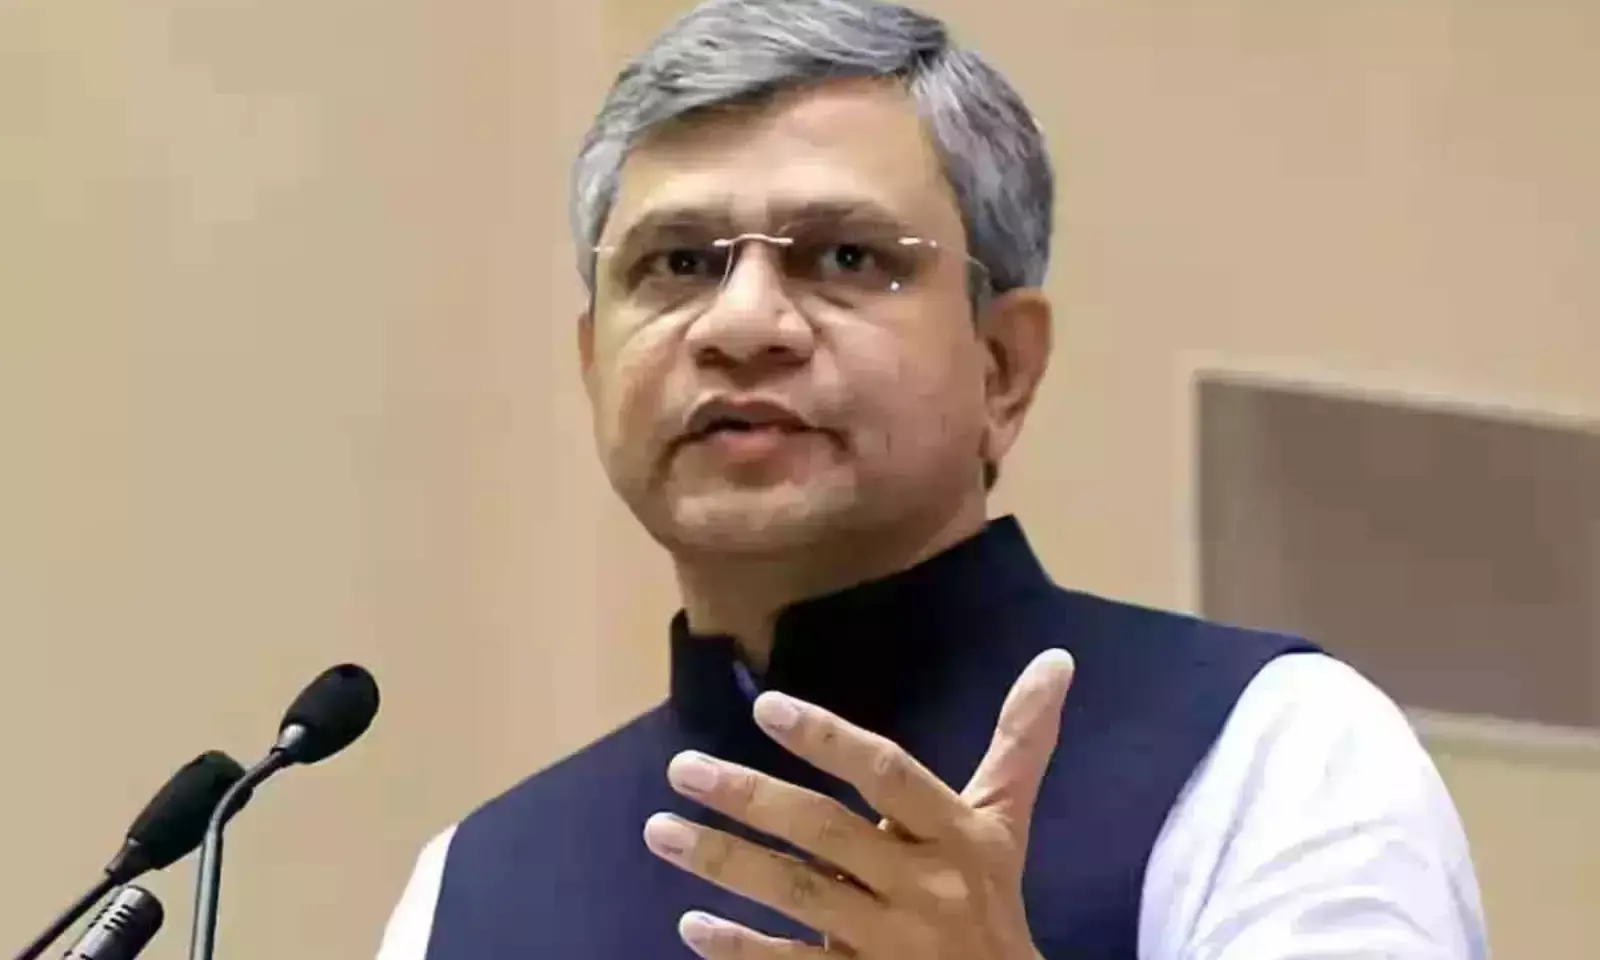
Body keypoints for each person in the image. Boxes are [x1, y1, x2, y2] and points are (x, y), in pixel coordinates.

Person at [377, 1, 1488, 957]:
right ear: (592, 364)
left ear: (1003, 366)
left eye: (845, 256)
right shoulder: (470, 887)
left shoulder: (1273, 753)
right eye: (678, 264)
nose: (743, 323)